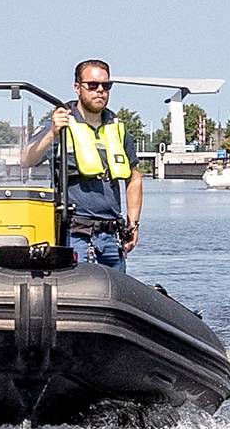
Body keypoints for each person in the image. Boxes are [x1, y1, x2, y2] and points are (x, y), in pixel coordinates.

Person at [21, 59, 142, 271]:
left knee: (113, 297)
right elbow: (26, 159)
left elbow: (134, 178)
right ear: (77, 88)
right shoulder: (61, 124)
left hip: (112, 239)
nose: (100, 91)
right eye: (93, 85)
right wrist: (52, 133)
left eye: (106, 86)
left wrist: (133, 225)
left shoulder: (118, 128)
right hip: (75, 235)